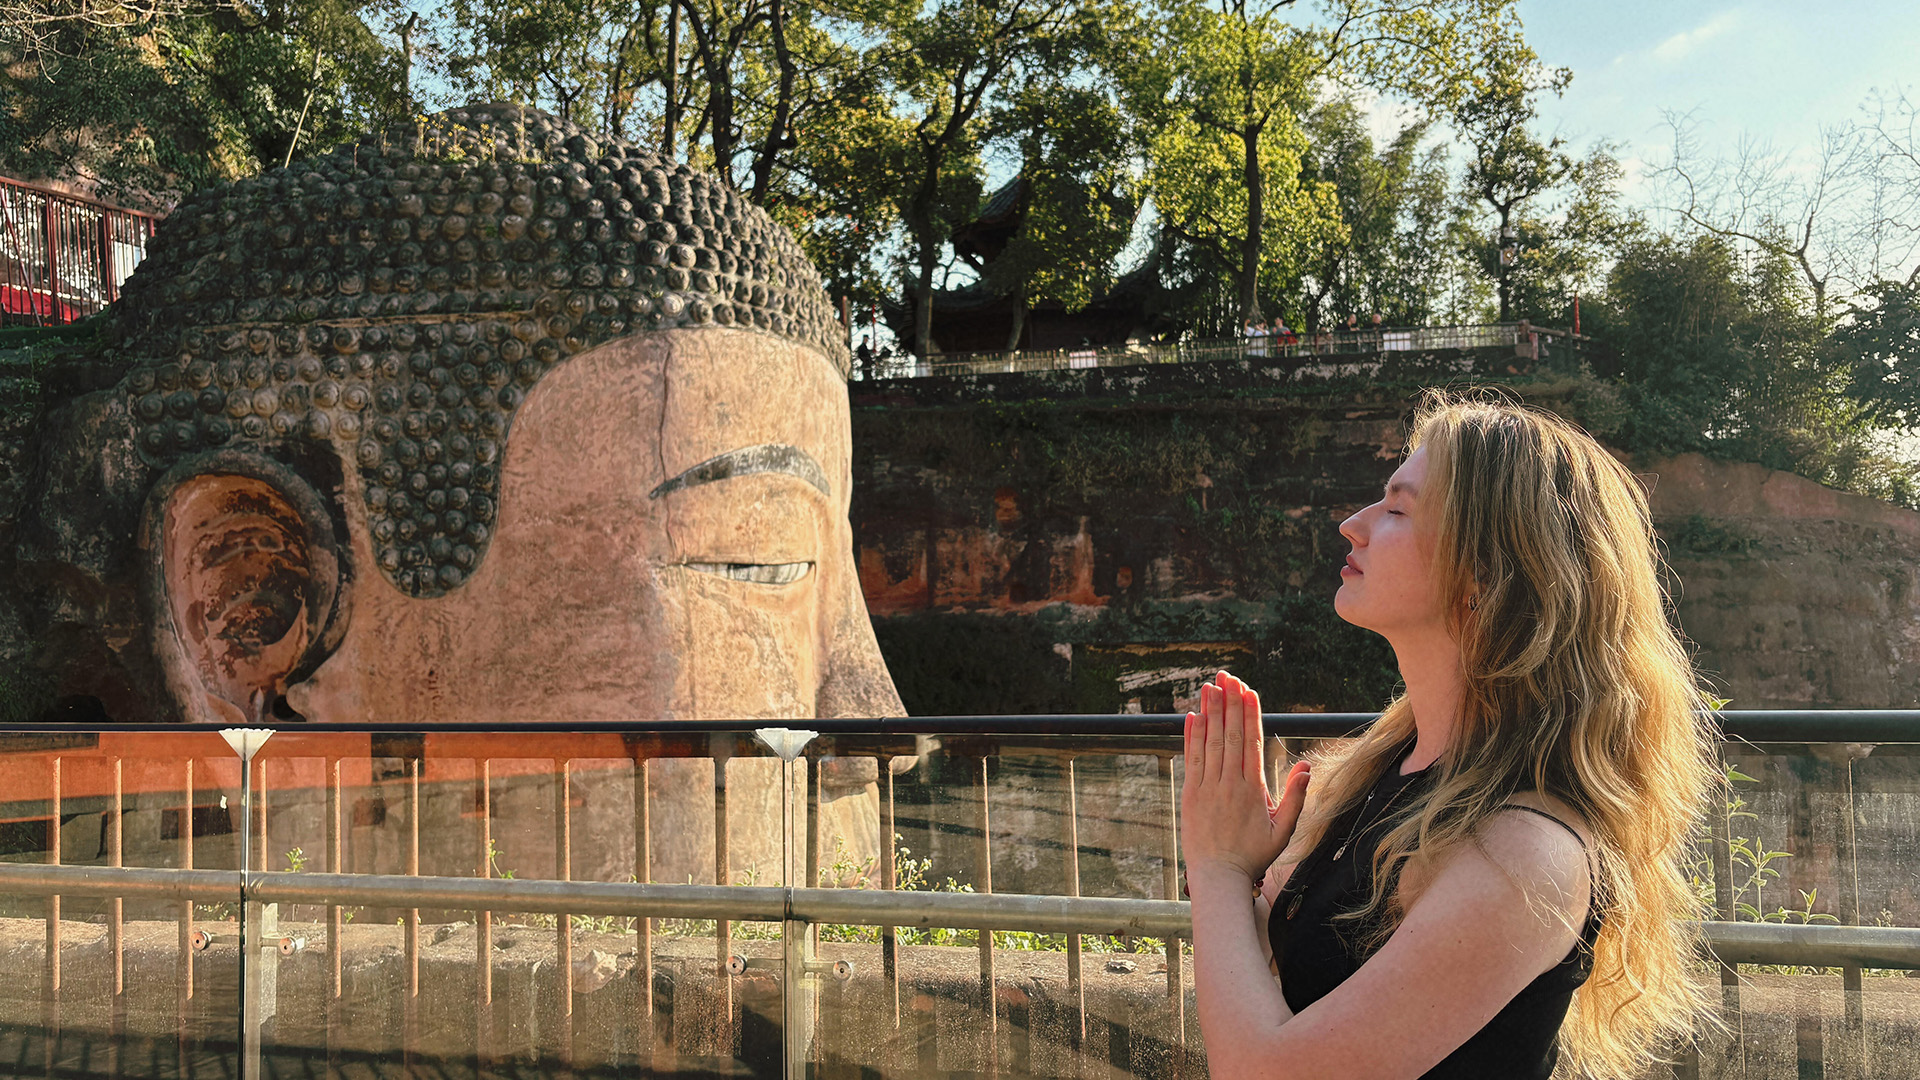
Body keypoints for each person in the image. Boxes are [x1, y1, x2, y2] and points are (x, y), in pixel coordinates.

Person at [1179, 393, 1716, 1080]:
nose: (1353, 525)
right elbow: (1282, 994)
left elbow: (1268, 1072)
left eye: (1397, 510)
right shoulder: (1387, 775)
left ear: (1485, 575)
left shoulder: (1525, 851)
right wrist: (1242, 881)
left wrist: (1219, 871)